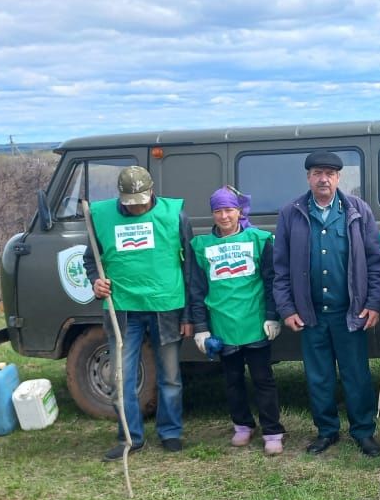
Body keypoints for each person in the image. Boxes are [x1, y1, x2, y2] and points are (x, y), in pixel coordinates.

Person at [272, 151, 380, 456]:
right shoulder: (290, 213)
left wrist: (373, 303)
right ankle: (326, 432)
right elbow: (280, 268)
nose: (324, 179)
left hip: (350, 313)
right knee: (318, 378)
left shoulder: (358, 210)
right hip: (311, 316)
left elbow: (375, 262)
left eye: (330, 174)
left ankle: (363, 432)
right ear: (308, 177)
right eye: (317, 173)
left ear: (339, 178)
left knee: (357, 376)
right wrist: (287, 309)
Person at [84, 165, 193, 460]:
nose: (136, 208)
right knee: (122, 377)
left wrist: (188, 315)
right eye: (130, 204)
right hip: (122, 310)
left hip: (166, 307)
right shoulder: (101, 217)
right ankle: (129, 437)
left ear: (152, 191)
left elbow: (189, 265)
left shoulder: (175, 215)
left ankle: (170, 432)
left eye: (141, 203)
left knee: (169, 375)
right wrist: (96, 280)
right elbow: (90, 259)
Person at [190, 186, 287, 455]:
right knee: (232, 380)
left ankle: (272, 430)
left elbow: (271, 281)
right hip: (222, 327)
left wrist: (272, 316)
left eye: (229, 210)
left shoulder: (259, 239)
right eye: (218, 211)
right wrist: (201, 328)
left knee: (263, 378)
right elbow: (197, 290)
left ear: (239, 211)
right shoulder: (201, 246)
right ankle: (242, 425)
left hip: (254, 323)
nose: (224, 216)